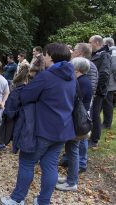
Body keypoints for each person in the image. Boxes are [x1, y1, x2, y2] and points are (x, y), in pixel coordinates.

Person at [0, 43, 76, 205]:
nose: (45, 58)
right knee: (49, 166)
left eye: (46, 55)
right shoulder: (72, 77)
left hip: (42, 129)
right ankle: (43, 201)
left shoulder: (47, 76)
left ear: (52, 56)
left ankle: (16, 199)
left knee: (27, 162)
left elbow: (26, 95)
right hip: (62, 130)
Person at [59, 43, 98, 173]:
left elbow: (78, 97)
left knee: (79, 140)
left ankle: (79, 165)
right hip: (81, 111)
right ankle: (74, 164)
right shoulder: (81, 79)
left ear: (77, 70)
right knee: (78, 141)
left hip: (80, 114)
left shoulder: (83, 81)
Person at [56, 57, 92, 192]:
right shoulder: (83, 81)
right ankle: (71, 179)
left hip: (76, 122)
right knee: (72, 151)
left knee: (73, 151)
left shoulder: (81, 82)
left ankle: (72, 182)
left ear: (76, 69)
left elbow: (73, 101)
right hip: (77, 121)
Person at [89, 35, 111, 148]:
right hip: (93, 89)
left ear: (97, 43)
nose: (89, 44)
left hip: (98, 91)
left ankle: (95, 139)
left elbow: (104, 74)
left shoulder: (104, 55)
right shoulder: (94, 55)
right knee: (92, 113)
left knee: (95, 114)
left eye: (90, 42)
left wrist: (96, 89)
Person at [102, 37, 116, 129]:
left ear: (107, 44)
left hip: (110, 83)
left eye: (103, 44)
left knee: (107, 104)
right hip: (109, 82)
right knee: (107, 103)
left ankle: (107, 123)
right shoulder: (110, 52)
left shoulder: (113, 53)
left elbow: (115, 68)